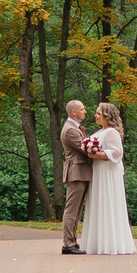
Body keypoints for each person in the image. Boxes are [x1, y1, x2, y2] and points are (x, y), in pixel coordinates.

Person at [79, 101, 135, 255]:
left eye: (99, 113)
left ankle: (110, 243)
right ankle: (98, 242)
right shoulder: (100, 132)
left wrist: (97, 155)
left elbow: (117, 152)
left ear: (107, 116)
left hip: (107, 172)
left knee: (107, 201)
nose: (95, 116)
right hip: (99, 171)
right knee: (98, 202)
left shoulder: (111, 132)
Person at [58, 99, 92, 254]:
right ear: (73, 112)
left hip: (80, 172)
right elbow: (86, 149)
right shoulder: (70, 130)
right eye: (82, 109)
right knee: (72, 210)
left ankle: (72, 241)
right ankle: (68, 244)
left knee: (76, 211)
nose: (85, 111)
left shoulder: (74, 127)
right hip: (76, 173)